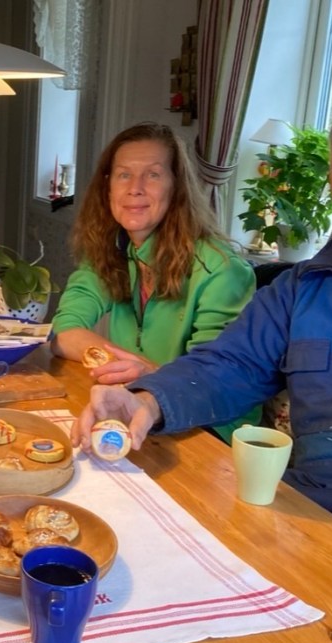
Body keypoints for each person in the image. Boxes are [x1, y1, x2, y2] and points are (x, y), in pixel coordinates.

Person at [72, 93, 332, 581]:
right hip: (315, 508)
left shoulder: (220, 266)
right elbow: (230, 365)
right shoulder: (299, 289)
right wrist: (145, 400)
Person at [51, 122, 257, 438]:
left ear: (176, 188)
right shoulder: (111, 250)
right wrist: (133, 370)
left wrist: (151, 378)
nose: (135, 188)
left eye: (153, 175)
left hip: (211, 433)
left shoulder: (223, 270)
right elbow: (64, 331)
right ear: (108, 187)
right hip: (140, 411)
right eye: (124, 175)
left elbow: (216, 383)